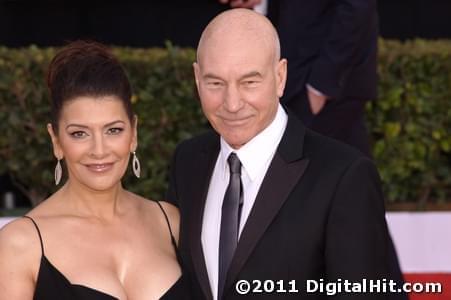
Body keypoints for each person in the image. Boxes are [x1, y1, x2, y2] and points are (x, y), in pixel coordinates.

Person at [167, 9, 404, 300]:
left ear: (280, 77)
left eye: (249, 82)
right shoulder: (187, 162)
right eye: (215, 83)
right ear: (196, 78)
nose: (231, 103)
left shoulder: (344, 176)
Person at [0, 40, 191, 300]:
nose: (99, 150)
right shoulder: (20, 244)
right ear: (56, 140)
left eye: (114, 130)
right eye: (79, 133)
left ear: (133, 133)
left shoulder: (170, 222)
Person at [221, 0, 378, 156]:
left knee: (337, 172)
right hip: (287, 80)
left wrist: (320, 87)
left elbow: (357, 6)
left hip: (323, 90)